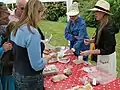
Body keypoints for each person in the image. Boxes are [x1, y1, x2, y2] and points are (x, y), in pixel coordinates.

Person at [10, 0, 50, 90]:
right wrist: (47, 58)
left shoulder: (16, 27)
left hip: (17, 72)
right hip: (30, 78)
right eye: (41, 14)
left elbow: (19, 52)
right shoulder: (32, 32)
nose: (41, 17)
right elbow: (37, 65)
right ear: (37, 13)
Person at [80, 0, 119, 75]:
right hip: (101, 56)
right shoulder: (102, 23)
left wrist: (89, 52)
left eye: (97, 11)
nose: (95, 14)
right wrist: (91, 41)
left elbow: (107, 50)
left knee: (106, 77)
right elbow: (101, 39)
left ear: (103, 13)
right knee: (100, 75)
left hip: (107, 57)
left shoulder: (108, 29)